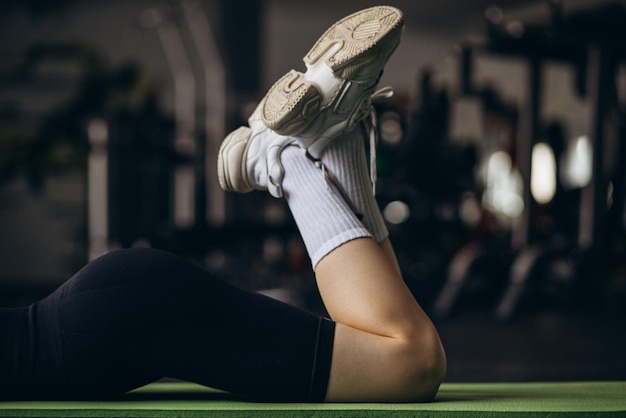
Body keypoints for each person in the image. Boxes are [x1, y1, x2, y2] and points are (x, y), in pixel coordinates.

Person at [0, 5, 446, 402]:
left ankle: (287, 161)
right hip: (113, 312)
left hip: (122, 322)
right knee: (398, 347)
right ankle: (332, 144)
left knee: (411, 361)